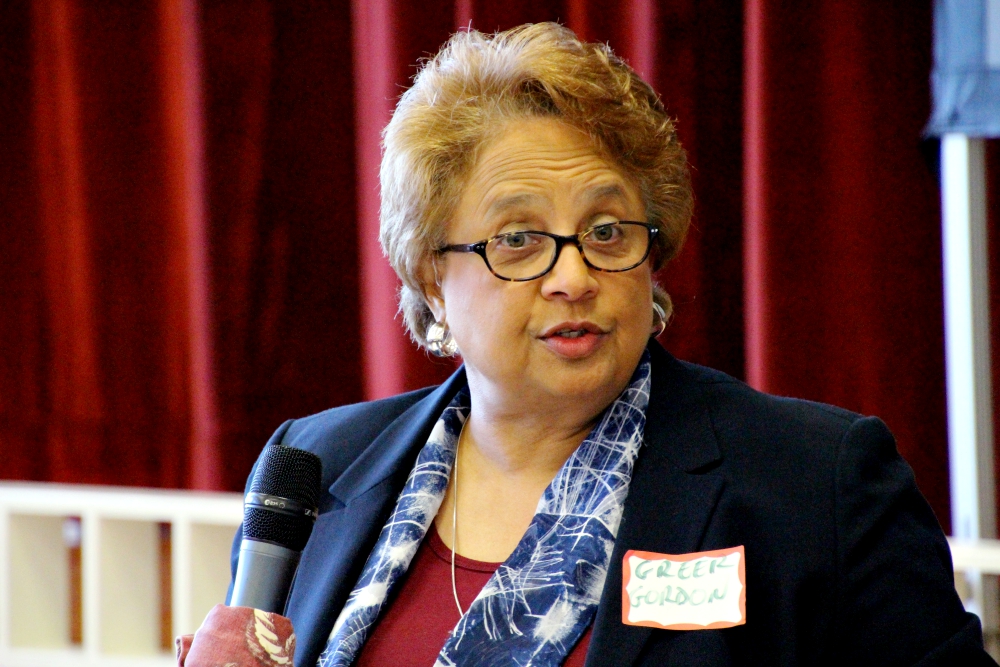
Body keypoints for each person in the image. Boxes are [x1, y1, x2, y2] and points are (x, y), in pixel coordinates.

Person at [218, 22, 993, 667]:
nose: (574, 275)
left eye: (607, 230)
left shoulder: (812, 483)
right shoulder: (319, 467)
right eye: (518, 239)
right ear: (430, 277)